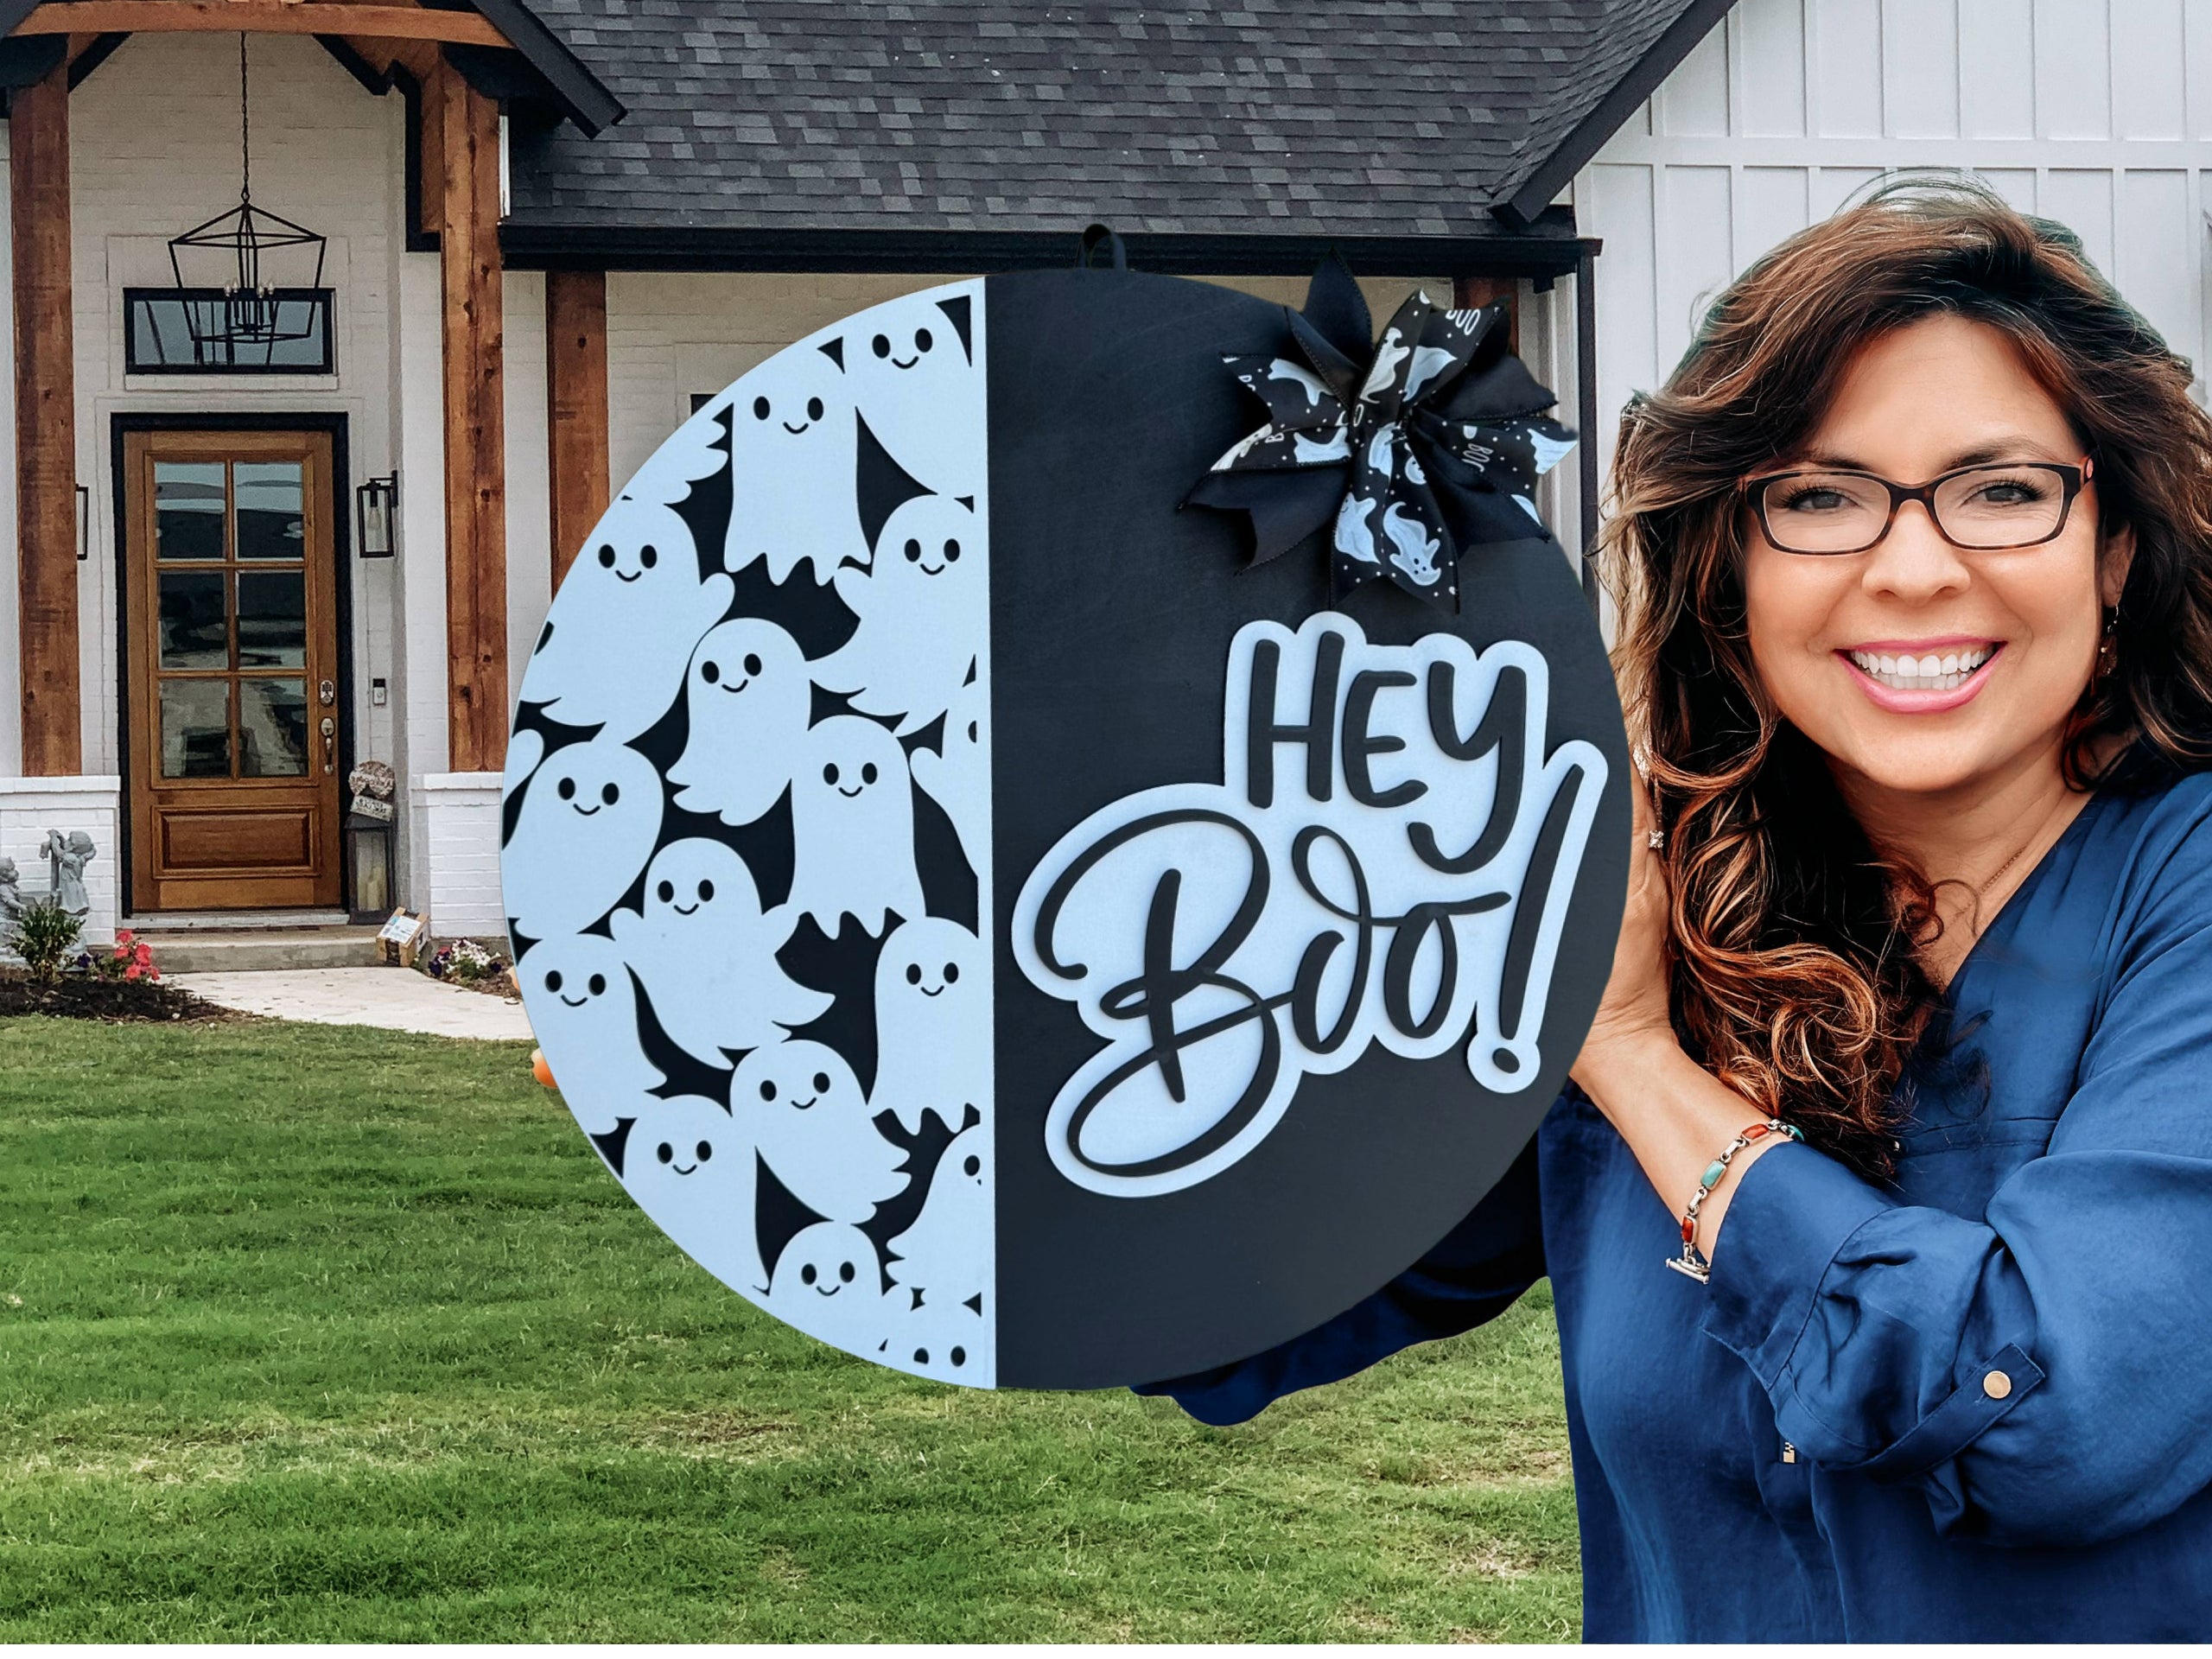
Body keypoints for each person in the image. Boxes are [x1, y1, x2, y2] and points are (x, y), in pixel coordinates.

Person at [1135, 177, 2212, 1641]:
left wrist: (1639, 1062)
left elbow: (2053, 1417)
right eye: (1820, 497)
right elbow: (1240, 1294)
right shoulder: (1652, 895)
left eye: (2003, 490)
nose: (1912, 567)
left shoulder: (2180, 894)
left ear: (2119, 547)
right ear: (1731, 567)